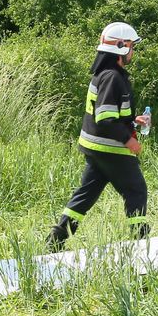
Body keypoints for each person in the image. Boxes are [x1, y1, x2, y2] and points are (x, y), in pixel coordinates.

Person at [47, 22, 151, 249]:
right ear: (122, 47)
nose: (133, 52)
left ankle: (56, 241)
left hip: (95, 149)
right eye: (132, 47)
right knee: (136, 189)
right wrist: (129, 140)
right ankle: (141, 244)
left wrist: (133, 121)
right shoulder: (113, 77)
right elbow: (104, 119)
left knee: (86, 195)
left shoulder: (105, 74)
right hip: (111, 149)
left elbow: (109, 114)